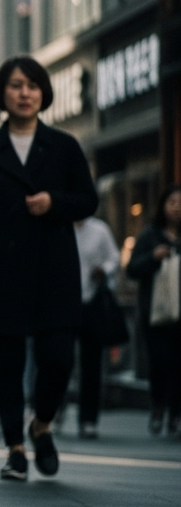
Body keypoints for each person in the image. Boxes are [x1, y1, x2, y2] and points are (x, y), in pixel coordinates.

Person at [0, 57, 98, 481]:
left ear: (44, 93)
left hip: (53, 270)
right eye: (16, 85)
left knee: (58, 357)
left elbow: (88, 200)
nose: (24, 93)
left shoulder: (65, 146)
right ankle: (15, 447)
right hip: (0, 270)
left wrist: (55, 202)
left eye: (33, 85)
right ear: (2, 93)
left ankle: (42, 424)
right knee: (8, 364)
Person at [125, 186, 181, 437]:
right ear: (163, 205)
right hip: (156, 313)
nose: (177, 207)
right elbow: (132, 269)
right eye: (172, 201)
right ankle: (158, 406)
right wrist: (153, 258)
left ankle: (175, 414)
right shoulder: (150, 235)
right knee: (160, 362)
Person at [73, 215, 120, 439]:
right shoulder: (59, 227)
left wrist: (103, 269)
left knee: (91, 364)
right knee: (59, 360)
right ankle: (50, 412)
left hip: (92, 303)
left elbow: (114, 258)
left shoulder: (99, 230)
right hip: (63, 303)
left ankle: (88, 419)